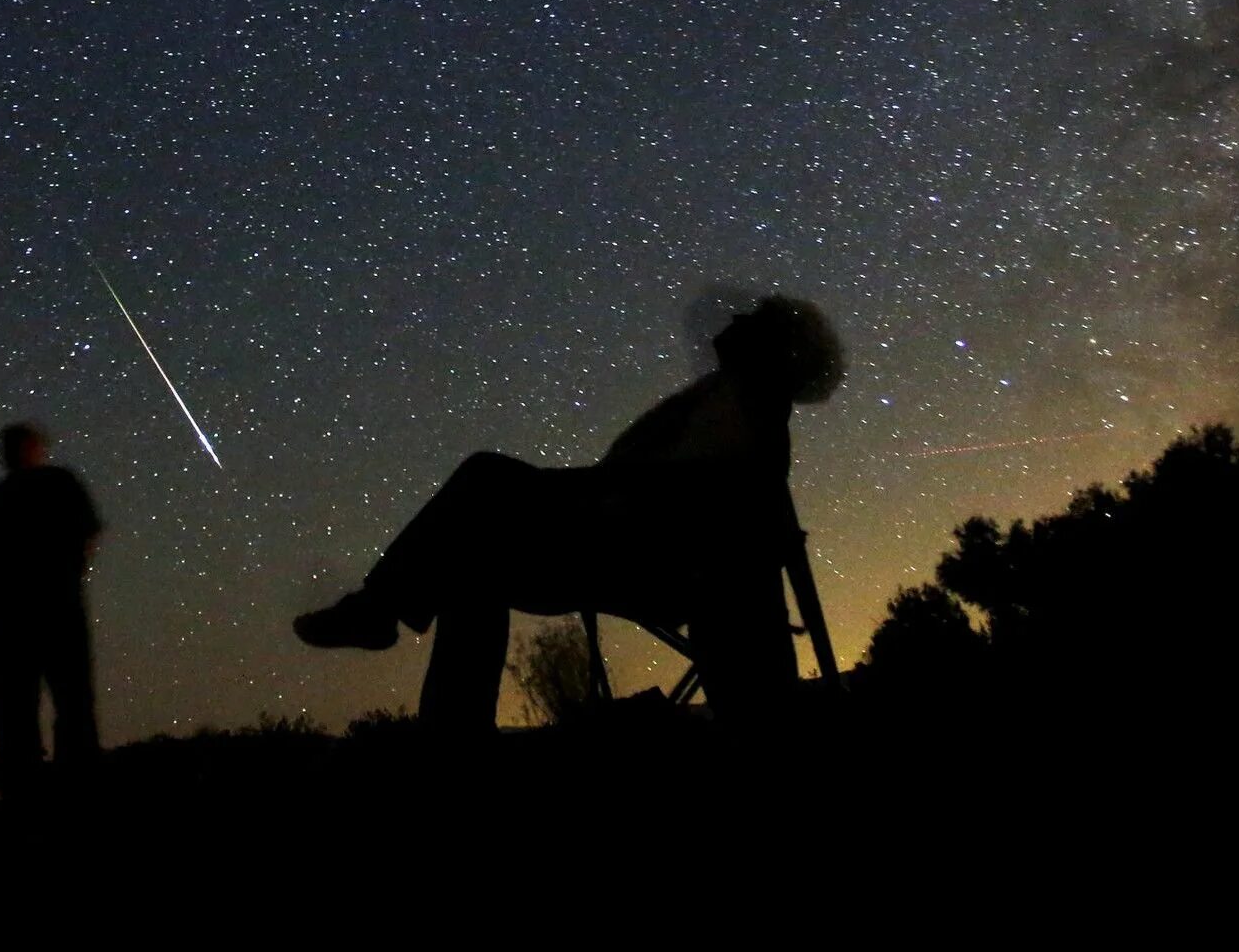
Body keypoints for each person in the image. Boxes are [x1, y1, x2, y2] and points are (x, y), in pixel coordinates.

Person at [294, 295, 843, 732]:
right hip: (625, 535)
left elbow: (700, 492)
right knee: (471, 563)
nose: (735, 318)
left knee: (485, 480)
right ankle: (448, 737)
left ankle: (380, 611)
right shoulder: (727, 397)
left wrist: (595, 493)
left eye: (754, 318)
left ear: (772, 345)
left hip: (653, 553)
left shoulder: (750, 407)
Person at [0, 421, 104, 798]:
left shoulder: (48, 485)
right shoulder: (8, 495)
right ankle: (53, 794)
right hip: (34, 615)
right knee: (36, 712)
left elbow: (85, 535)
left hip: (38, 614)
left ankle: (62, 793)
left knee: (58, 708)